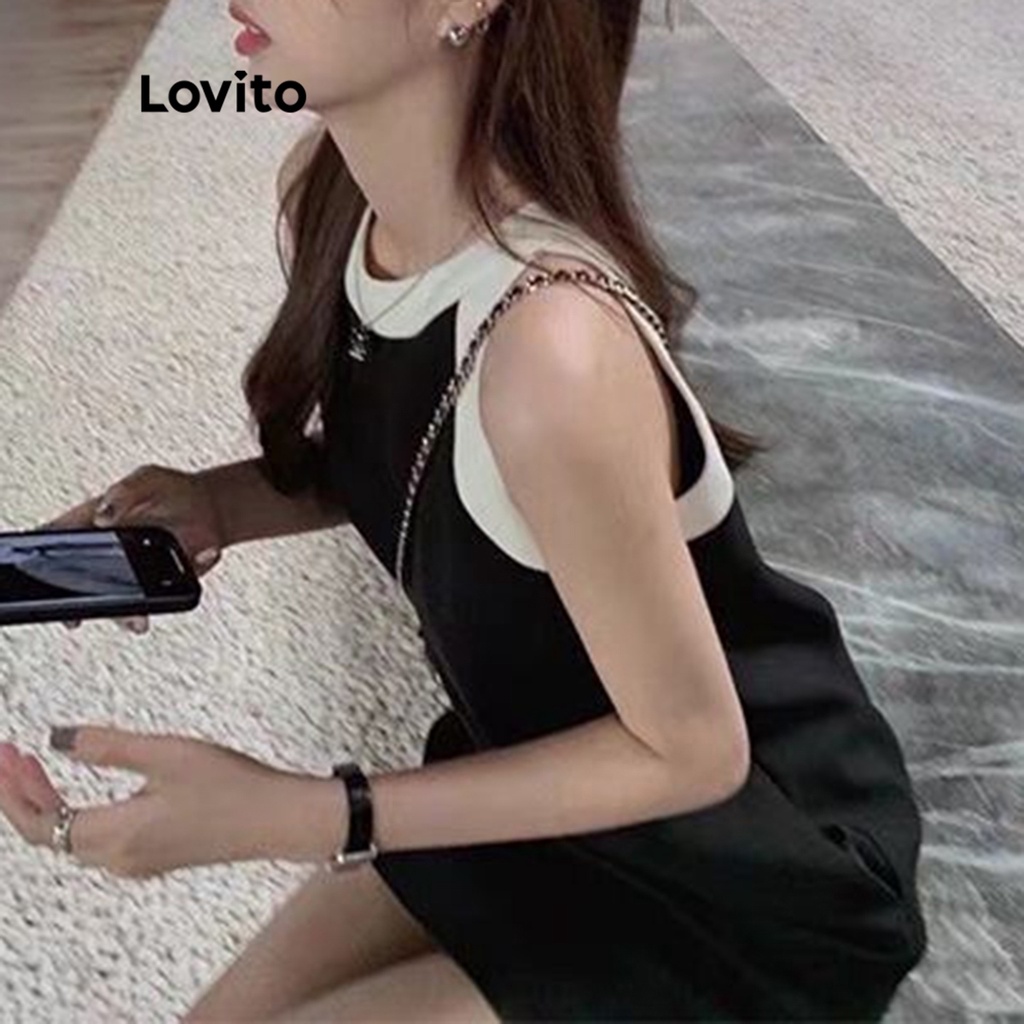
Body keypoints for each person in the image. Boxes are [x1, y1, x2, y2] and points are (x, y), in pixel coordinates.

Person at [0, 1, 928, 1021]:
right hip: (537, 784)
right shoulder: (333, 199)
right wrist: (213, 503)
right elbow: (408, 450)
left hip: (745, 875)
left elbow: (695, 751)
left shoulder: (556, 353)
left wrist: (309, 812)